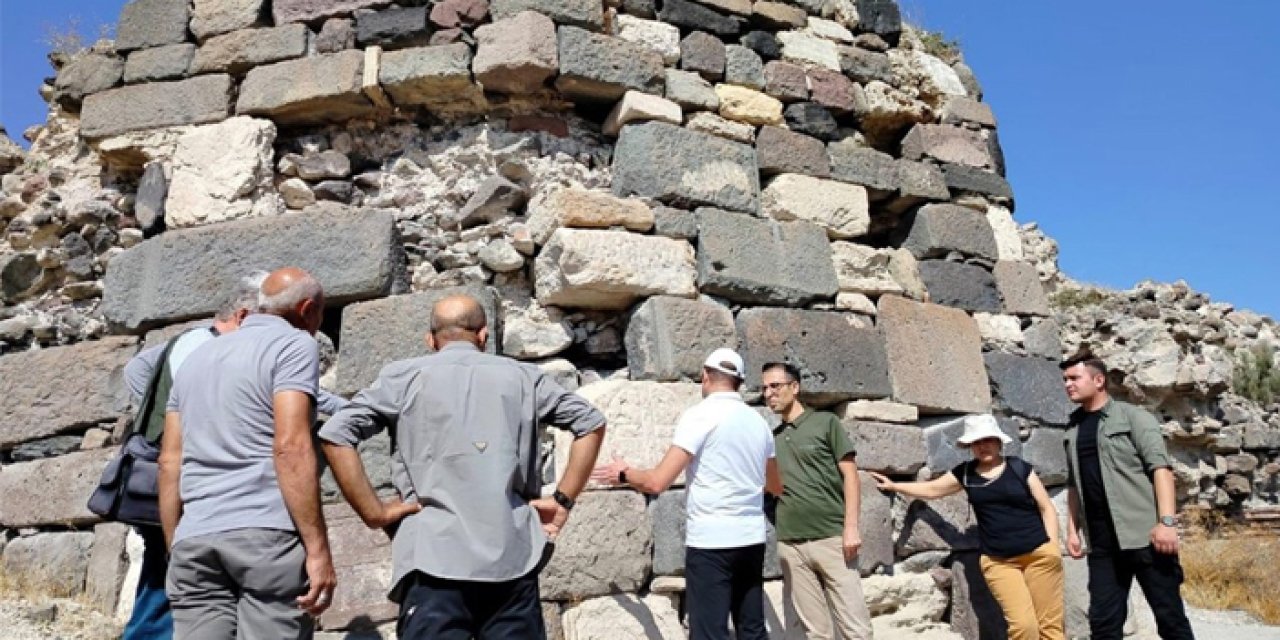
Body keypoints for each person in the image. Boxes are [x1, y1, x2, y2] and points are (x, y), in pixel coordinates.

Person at [319, 293, 606, 639]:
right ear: (484, 336)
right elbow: (589, 422)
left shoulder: (403, 377)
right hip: (511, 556)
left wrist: (374, 512)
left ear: (431, 340)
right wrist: (563, 500)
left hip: (432, 557)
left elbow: (336, 434)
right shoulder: (523, 377)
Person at [122, 272, 348, 639]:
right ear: (308, 310)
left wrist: (175, 541)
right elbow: (291, 446)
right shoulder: (294, 345)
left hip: (194, 537)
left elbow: (169, 463)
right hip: (264, 533)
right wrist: (318, 548)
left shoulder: (197, 358)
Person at [593, 348, 775, 640]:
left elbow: (656, 482)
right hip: (751, 538)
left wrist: (624, 473)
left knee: (707, 632)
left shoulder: (700, 416)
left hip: (712, 541)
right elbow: (775, 484)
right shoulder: (760, 424)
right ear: (739, 382)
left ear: (705, 376)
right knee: (752, 628)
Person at [869, 414, 1064, 640]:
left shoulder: (1019, 468)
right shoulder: (966, 473)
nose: (983, 446)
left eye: (987, 440)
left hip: (1039, 555)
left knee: (1050, 629)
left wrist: (1052, 547)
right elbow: (933, 490)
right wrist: (895, 485)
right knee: (1023, 627)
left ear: (999, 441)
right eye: (977, 442)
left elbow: (1046, 507)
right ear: (970, 446)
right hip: (999, 562)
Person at [1060, 355, 1195, 640]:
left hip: (1146, 537)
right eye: (1065, 379)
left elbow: (1161, 470)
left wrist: (1167, 523)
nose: (1068, 385)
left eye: (1074, 378)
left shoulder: (1134, 418)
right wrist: (1072, 530)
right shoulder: (1072, 428)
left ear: (1099, 380)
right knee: (1103, 624)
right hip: (1102, 544)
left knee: (1170, 619)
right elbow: (1075, 483)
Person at [760, 362, 873, 640]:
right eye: (764, 388)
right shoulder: (770, 440)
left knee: (856, 629)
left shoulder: (826, 423)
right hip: (791, 545)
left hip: (833, 539)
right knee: (815, 632)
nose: (768, 393)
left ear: (794, 387)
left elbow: (851, 476)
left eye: (775, 386)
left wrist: (851, 527)